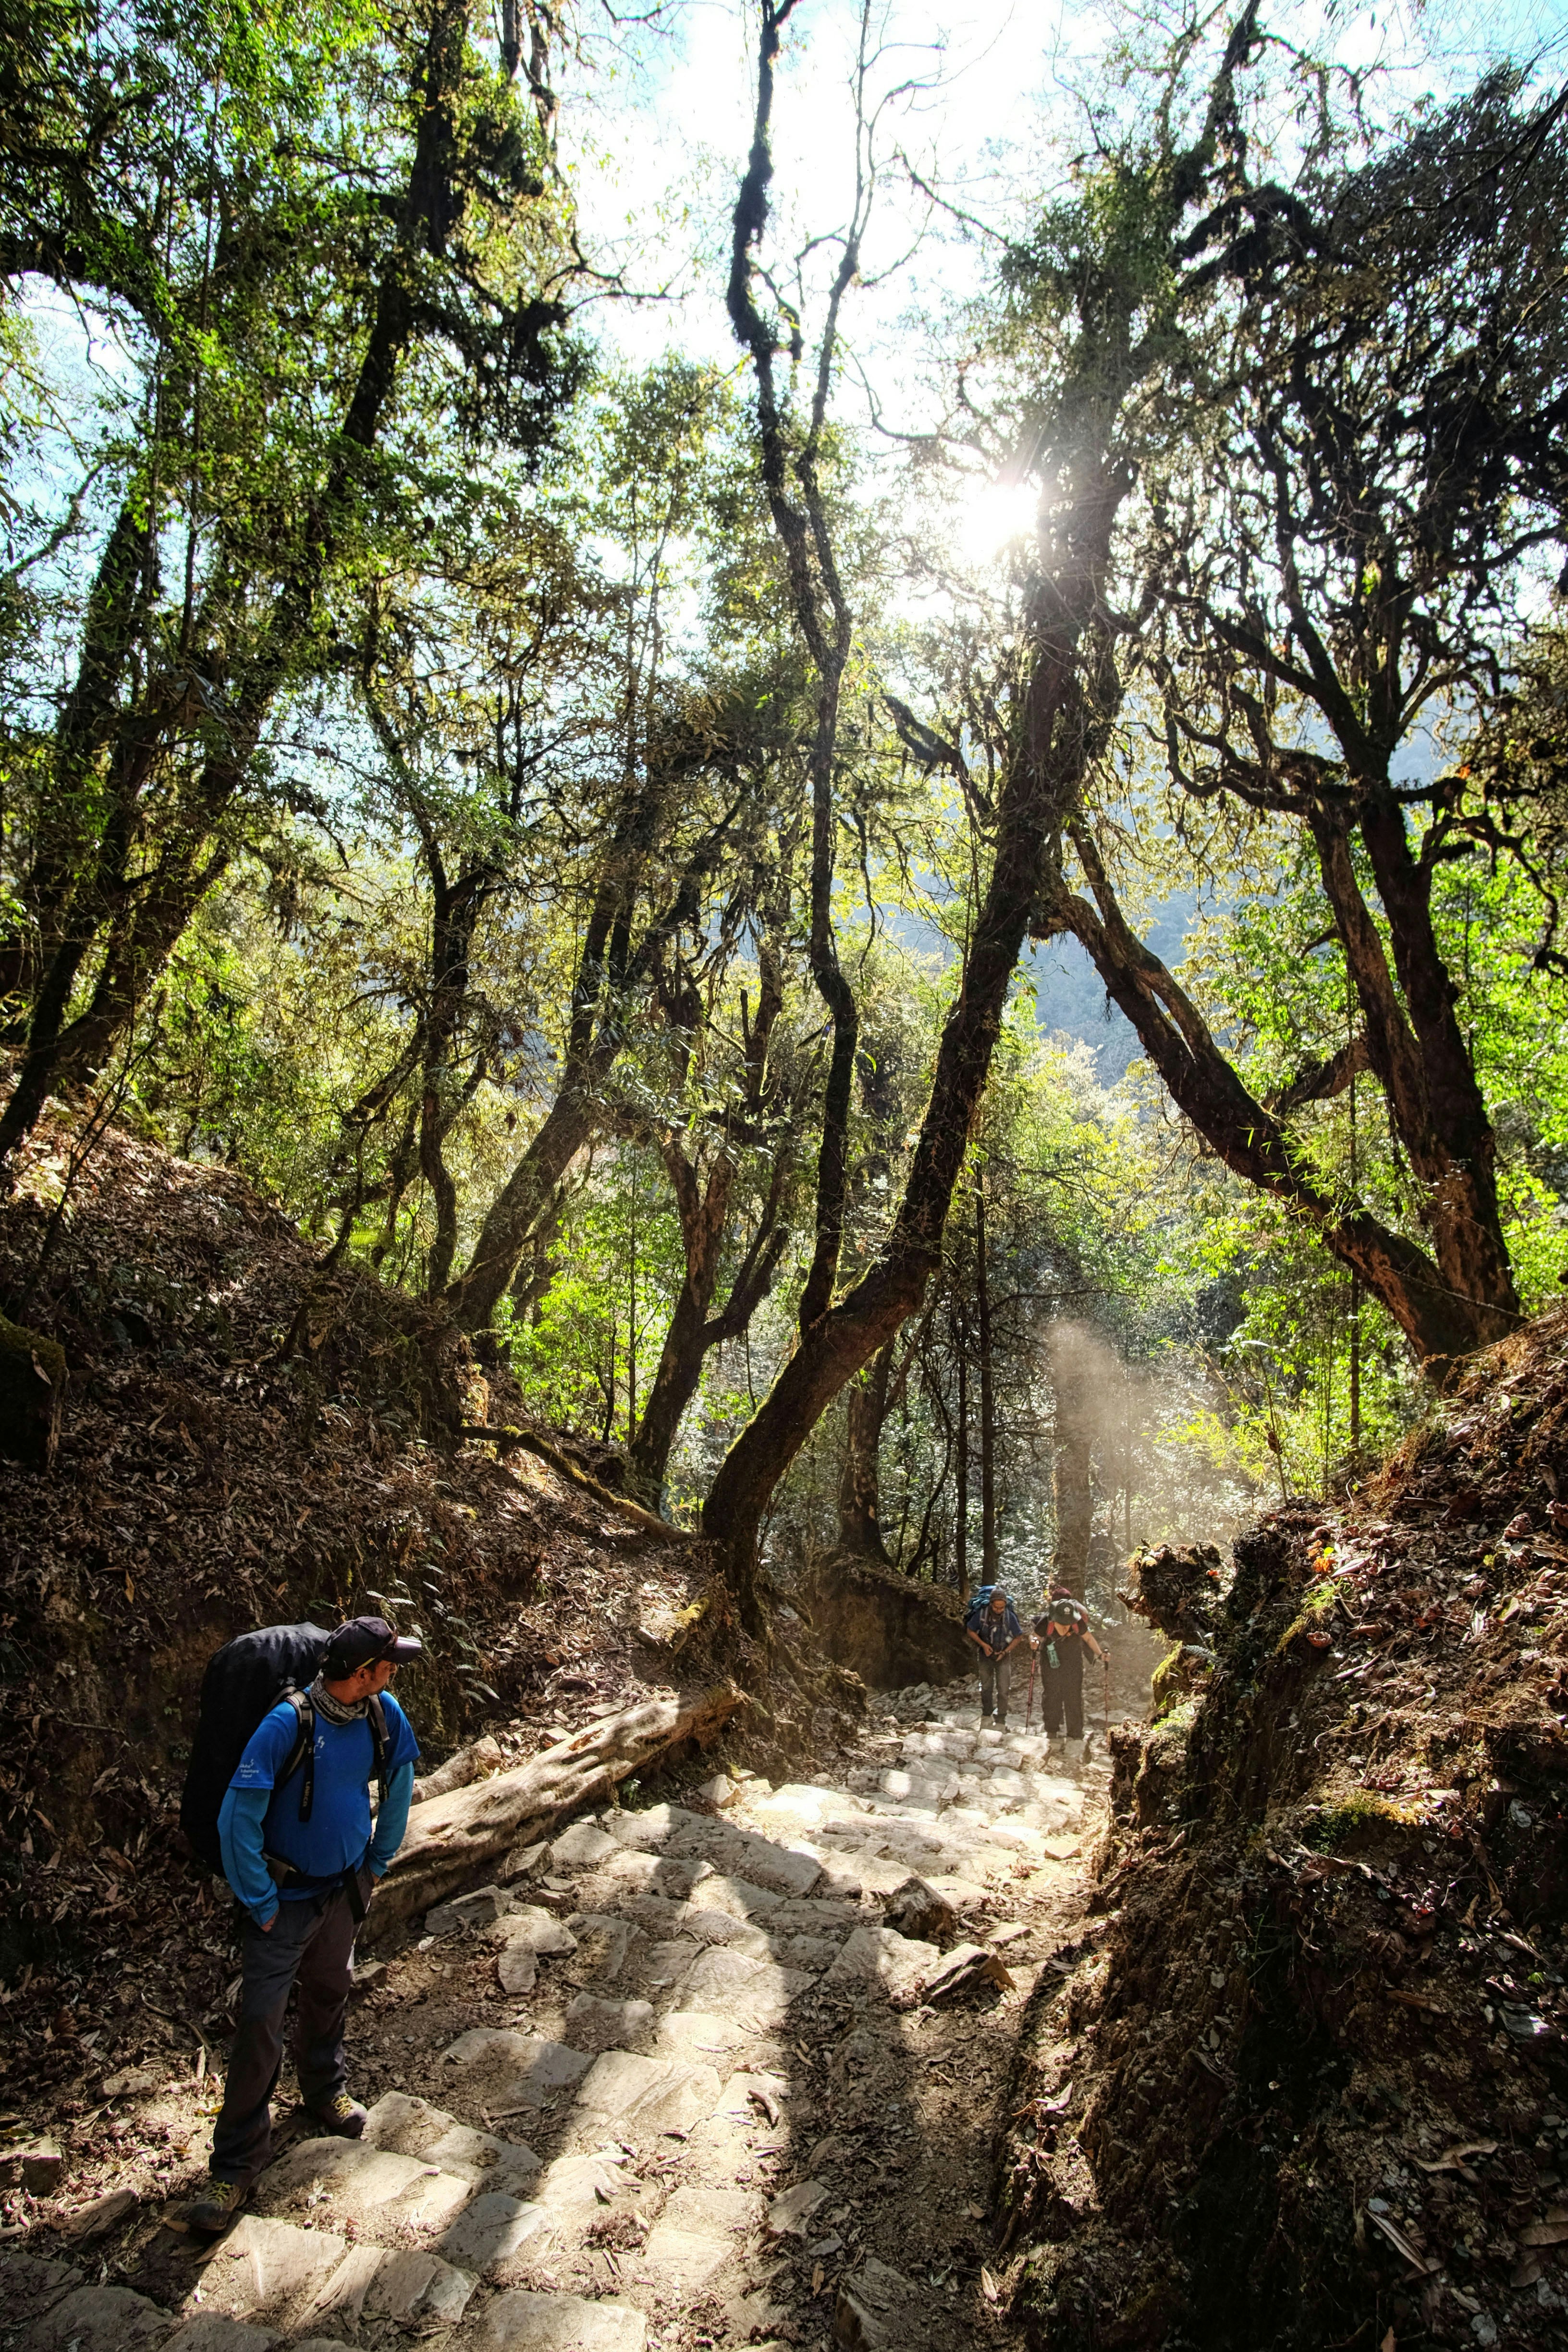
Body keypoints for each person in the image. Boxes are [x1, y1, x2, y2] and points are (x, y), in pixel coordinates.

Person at [184, 1616, 423, 2238]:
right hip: (284, 1899)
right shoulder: (288, 1723)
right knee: (261, 2016)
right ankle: (234, 2164)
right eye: (387, 1664)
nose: (394, 1672)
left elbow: (400, 1781)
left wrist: (376, 1860)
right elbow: (239, 1814)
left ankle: (324, 2088)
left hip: (343, 1890)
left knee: (330, 1988)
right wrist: (260, 1898)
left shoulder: (382, 1712)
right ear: (360, 1672)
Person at [1031, 1582, 1109, 1767]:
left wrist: (1100, 1655)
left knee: (1073, 1696)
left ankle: (1075, 1733)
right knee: (1052, 1694)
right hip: (1050, 1663)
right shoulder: (1047, 1620)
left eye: (1069, 1625)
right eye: (1062, 1625)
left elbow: (1088, 1638)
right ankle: (1052, 1729)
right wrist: (1033, 1642)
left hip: (1073, 1663)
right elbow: (1034, 1635)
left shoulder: (1076, 1621)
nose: (1066, 1628)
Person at [965, 1584, 1026, 1726]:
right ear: (991, 1604)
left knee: (1004, 1688)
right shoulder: (981, 1614)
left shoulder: (1009, 1617)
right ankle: (987, 1713)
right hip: (985, 1654)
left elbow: (1019, 1636)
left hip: (1003, 1655)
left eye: (1002, 1607)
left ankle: (1002, 1717)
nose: (999, 1610)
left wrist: (1005, 1652)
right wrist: (984, 1645)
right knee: (986, 1687)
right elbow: (970, 1630)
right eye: (996, 1607)